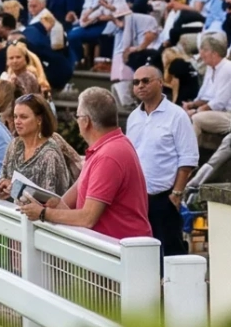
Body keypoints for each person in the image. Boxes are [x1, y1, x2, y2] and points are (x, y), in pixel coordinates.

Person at [20, 87, 153, 241]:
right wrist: (44, 202)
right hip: (115, 250)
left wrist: (43, 214)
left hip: (121, 252)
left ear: (86, 121)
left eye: (77, 116)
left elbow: (87, 218)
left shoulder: (108, 155)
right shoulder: (107, 147)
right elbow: (69, 199)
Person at [121, 63, 198, 255]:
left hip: (164, 198)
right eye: (136, 82)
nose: (140, 85)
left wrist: (176, 195)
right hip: (136, 199)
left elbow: (187, 159)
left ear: (160, 83)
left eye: (146, 81)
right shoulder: (133, 117)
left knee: (171, 252)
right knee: (142, 253)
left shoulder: (177, 116)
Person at [0, 90, 81, 202]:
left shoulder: (50, 154)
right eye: (15, 117)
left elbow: (49, 200)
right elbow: (2, 177)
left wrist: (14, 188)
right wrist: (0, 187)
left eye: (23, 117)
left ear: (39, 120)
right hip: (11, 211)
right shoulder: (14, 145)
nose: (17, 121)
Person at [184, 30, 231, 145]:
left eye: (205, 50)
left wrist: (195, 110)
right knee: (184, 117)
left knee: (196, 118)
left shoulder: (228, 68)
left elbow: (219, 102)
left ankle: (189, 158)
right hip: (219, 112)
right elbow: (206, 95)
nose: (201, 54)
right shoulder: (211, 68)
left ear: (215, 53)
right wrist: (191, 105)